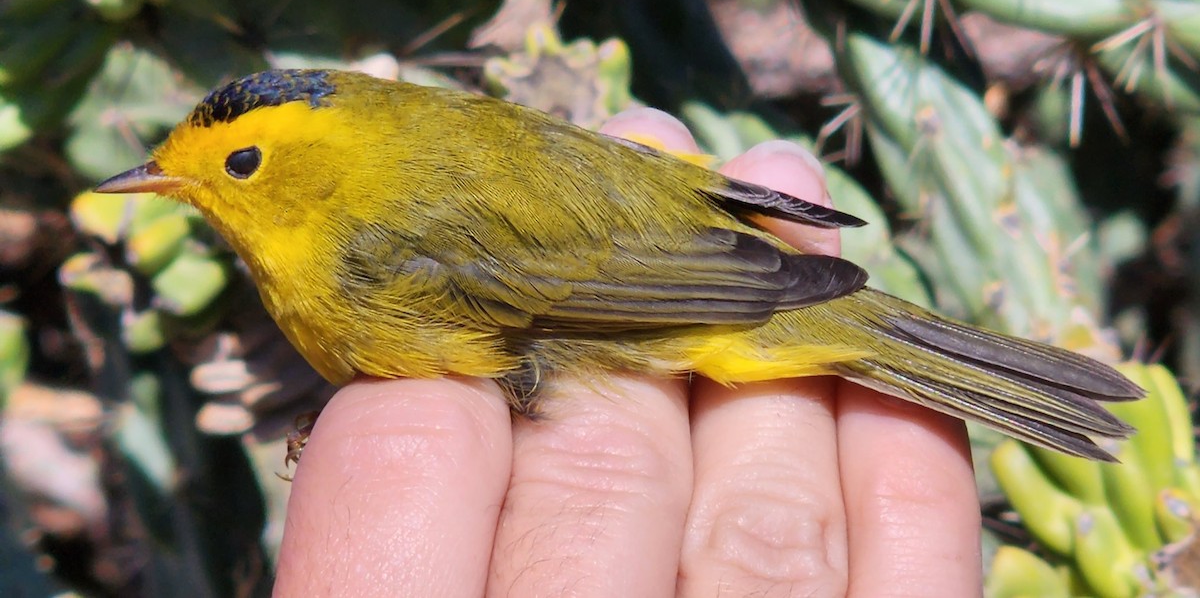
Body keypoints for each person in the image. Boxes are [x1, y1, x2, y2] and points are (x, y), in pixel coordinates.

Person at [272, 107, 983, 597]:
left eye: (243, 164)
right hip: (676, 242)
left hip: (659, 300)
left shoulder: (359, 255)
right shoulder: (410, 149)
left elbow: (550, 333)